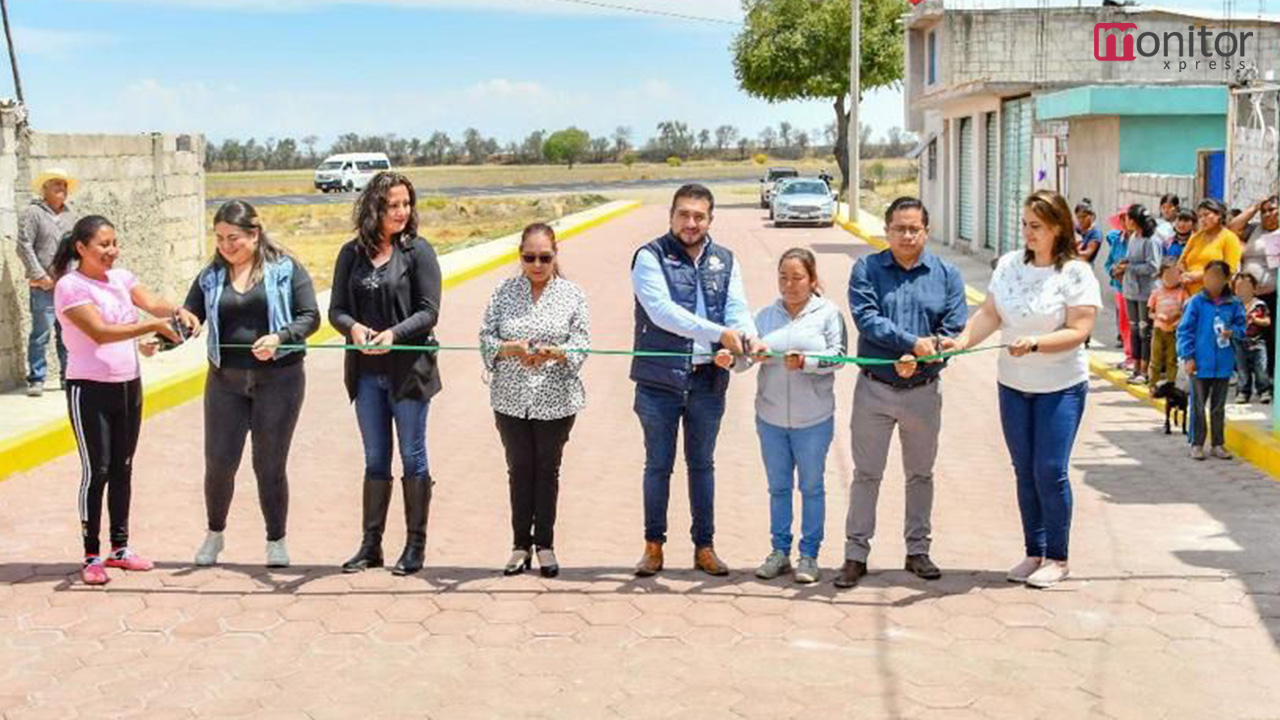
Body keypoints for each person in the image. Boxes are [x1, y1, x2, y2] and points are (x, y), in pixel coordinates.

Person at [950, 190, 1101, 589]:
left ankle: (1058, 556)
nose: (1027, 233)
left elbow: (1080, 329)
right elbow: (989, 314)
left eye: (1036, 226)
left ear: (1057, 228)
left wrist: (1035, 343)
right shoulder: (1009, 266)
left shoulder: (1075, 273)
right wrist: (962, 341)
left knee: (1049, 470)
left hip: (1061, 386)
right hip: (1014, 386)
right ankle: (1034, 551)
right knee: (1024, 471)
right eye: (1025, 225)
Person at [51, 215, 200, 585]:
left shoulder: (120, 277)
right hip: (89, 388)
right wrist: (152, 325)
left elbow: (150, 301)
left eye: (114, 243)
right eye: (103, 245)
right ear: (81, 248)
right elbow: (100, 333)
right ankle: (90, 555)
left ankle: (120, 549)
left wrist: (177, 311)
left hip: (127, 385)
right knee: (97, 470)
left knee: (123, 467)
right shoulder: (71, 286)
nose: (111, 251)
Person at [630, 183, 764, 577]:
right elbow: (662, 313)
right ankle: (653, 548)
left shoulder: (725, 259)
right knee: (658, 466)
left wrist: (745, 335)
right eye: (684, 215)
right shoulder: (649, 257)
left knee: (702, 465)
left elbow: (736, 307)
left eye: (699, 216)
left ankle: (704, 548)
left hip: (708, 380)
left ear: (710, 219)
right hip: (659, 383)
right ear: (671, 216)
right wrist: (719, 334)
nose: (691, 223)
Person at [834, 196, 968, 590]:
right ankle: (855, 555)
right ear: (887, 230)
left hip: (923, 392)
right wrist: (911, 345)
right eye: (899, 228)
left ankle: (918, 551)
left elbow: (954, 328)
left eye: (914, 228)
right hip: (874, 390)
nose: (907, 235)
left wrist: (926, 359)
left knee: (920, 475)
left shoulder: (947, 275)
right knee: (866, 475)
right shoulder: (867, 269)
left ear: (926, 231)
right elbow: (867, 319)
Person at [185, 201, 320, 569]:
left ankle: (276, 540)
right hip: (224, 383)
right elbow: (189, 319)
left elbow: (311, 317)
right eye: (219, 238)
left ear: (254, 235)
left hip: (280, 381)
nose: (226, 245)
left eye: (234, 238)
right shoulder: (209, 277)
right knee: (219, 463)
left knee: (269, 465)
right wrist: (164, 338)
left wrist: (280, 337)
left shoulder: (285, 269)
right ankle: (214, 535)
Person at [330, 172, 442, 576]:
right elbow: (337, 310)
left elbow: (429, 312)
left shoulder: (418, 252)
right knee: (376, 457)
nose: (400, 212)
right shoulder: (351, 254)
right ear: (373, 207)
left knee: (413, 456)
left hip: (408, 373)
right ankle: (370, 545)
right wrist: (354, 329)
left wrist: (394, 334)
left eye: (406, 204)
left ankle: (415, 545)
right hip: (366, 374)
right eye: (392, 205)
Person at [727, 248, 846, 585]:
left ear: (812, 279)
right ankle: (779, 552)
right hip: (771, 419)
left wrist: (805, 362)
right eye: (784, 277)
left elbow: (840, 358)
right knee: (778, 488)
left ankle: (809, 556)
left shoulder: (829, 314)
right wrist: (733, 359)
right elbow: (745, 358)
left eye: (797, 278)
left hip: (814, 421)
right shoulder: (764, 316)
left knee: (811, 487)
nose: (790, 285)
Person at [480, 223, 590, 578]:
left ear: (556, 255)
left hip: (555, 399)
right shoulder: (503, 291)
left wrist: (555, 353)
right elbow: (485, 337)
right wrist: (509, 349)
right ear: (520, 256)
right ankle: (518, 546)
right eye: (530, 257)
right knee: (519, 469)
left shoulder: (572, 294)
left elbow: (582, 342)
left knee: (547, 470)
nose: (537, 264)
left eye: (545, 257)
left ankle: (544, 544)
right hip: (510, 399)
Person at [17, 168, 78, 396]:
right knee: (41, 333)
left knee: (68, 333)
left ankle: (67, 376)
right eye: (56, 185)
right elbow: (23, 246)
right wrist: (39, 275)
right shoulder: (33, 213)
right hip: (43, 286)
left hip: (67, 287)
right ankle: (36, 378)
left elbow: (75, 249)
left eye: (63, 185)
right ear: (45, 189)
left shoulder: (70, 216)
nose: (61, 189)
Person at [1178, 260, 1245, 460]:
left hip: (1223, 364)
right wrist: (1188, 357)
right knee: (1198, 405)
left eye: (1217, 277)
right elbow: (1185, 331)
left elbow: (1243, 328)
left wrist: (1232, 332)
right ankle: (1197, 443)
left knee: (1218, 407)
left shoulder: (1234, 303)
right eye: (1209, 277)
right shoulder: (1196, 302)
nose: (1212, 281)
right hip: (1200, 364)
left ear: (1226, 279)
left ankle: (1218, 443)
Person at [1229, 195, 1279, 357]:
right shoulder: (1254, 229)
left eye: (1271, 210)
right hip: (1246, 295)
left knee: (1269, 339)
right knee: (1243, 336)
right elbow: (1232, 227)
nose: (1266, 214)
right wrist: (1255, 207)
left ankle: (1269, 377)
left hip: (1270, 295)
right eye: (1263, 211)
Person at [1117, 205, 1162, 385]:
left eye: (1128, 218)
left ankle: (1145, 369)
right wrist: (1121, 265)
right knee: (1134, 330)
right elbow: (1130, 259)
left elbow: (1153, 267)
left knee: (1145, 331)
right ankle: (1135, 367)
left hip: (1146, 292)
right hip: (1131, 291)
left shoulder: (1151, 241)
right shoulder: (1133, 237)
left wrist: (1129, 268)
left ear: (1134, 221)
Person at [1178, 199, 1242, 296]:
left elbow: (1229, 271)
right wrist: (1184, 275)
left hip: (1215, 297)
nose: (1202, 219)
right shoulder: (1196, 237)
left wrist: (1199, 276)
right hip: (1188, 296)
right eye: (1200, 216)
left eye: (1206, 215)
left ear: (1219, 215)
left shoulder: (1229, 238)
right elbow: (1181, 261)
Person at [1147, 261, 1189, 389]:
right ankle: (1153, 384)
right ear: (1160, 276)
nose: (1171, 278)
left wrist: (1178, 321)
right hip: (1158, 329)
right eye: (1167, 275)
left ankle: (1170, 386)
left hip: (1174, 331)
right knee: (1155, 359)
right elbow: (1150, 313)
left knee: (1172, 360)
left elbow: (1186, 311)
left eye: (1174, 275)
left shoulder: (1182, 293)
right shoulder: (1156, 293)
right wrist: (1157, 317)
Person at [1232, 272, 1271, 405]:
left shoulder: (1259, 305)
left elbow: (1267, 321)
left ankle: (1264, 390)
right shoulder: (1233, 306)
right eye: (1239, 288)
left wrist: (1256, 320)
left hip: (1257, 342)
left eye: (1247, 287)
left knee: (1261, 368)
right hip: (1239, 342)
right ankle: (1243, 391)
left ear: (1254, 289)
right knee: (1242, 369)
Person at [1103, 225, 1132, 366]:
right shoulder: (1117, 241)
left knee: (1136, 325)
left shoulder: (1141, 239)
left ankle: (1136, 357)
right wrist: (1114, 270)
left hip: (1135, 288)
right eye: (1122, 219)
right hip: (1119, 287)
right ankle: (1128, 354)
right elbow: (1108, 263)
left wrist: (1127, 268)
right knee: (1123, 322)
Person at [1074, 199, 1102, 264]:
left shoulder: (1095, 232)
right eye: (1078, 217)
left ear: (1092, 216)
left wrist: (1068, 252)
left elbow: (1086, 255)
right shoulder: (1078, 230)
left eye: (1084, 217)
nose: (1081, 220)